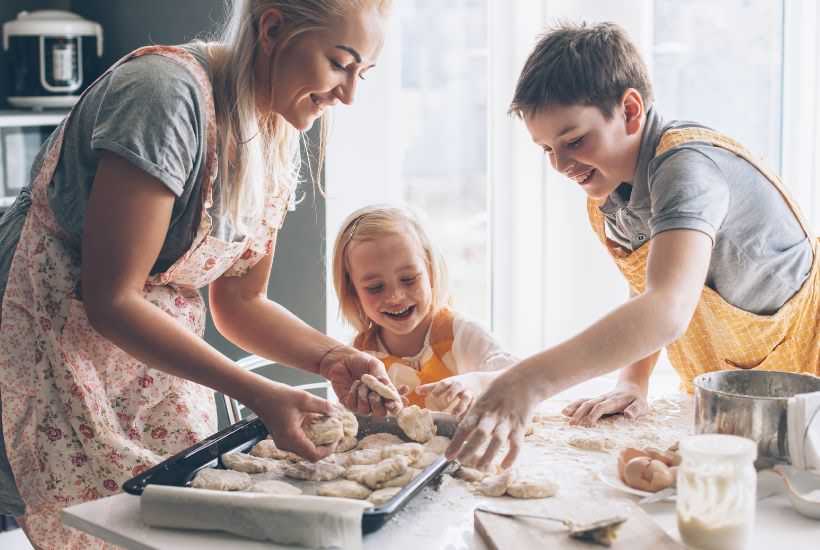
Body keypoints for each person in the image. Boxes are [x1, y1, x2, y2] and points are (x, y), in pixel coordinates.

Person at [0, 1, 399, 547]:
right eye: (338, 63)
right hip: (38, 346)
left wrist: (331, 358)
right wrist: (261, 394)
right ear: (273, 28)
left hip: (147, 364)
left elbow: (240, 304)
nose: (349, 94)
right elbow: (112, 298)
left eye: (364, 73)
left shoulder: (274, 125)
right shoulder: (163, 96)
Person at [446, 21, 819, 471]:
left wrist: (526, 383)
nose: (561, 165)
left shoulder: (687, 169)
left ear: (629, 109)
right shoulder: (609, 192)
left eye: (574, 140)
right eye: (546, 149)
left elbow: (666, 308)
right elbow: (651, 284)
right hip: (745, 393)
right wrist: (633, 381)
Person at [331, 205, 517, 418]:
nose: (395, 297)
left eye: (408, 279)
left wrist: (475, 383)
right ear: (353, 292)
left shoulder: (461, 335)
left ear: (430, 271)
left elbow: (519, 378)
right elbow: (351, 422)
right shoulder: (360, 356)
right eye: (375, 287)